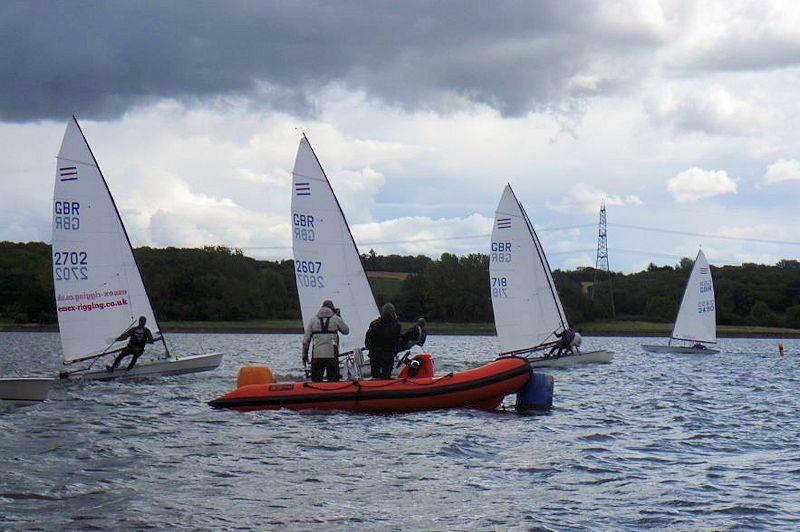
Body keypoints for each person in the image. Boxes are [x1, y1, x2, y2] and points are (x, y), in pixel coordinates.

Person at [302, 300, 349, 382]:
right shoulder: (336, 319)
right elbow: (346, 331)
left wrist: (304, 355)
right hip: (332, 355)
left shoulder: (313, 320)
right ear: (332, 309)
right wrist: (339, 316)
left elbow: (306, 341)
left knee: (316, 381)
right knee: (333, 381)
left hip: (316, 356)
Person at [365, 303, 402, 379]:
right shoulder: (396, 326)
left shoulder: (374, 324)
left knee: (375, 377)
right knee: (386, 377)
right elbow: (397, 341)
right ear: (393, 313)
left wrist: (370, 348)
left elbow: (367, 339)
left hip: (374, 355)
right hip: (388, 356)